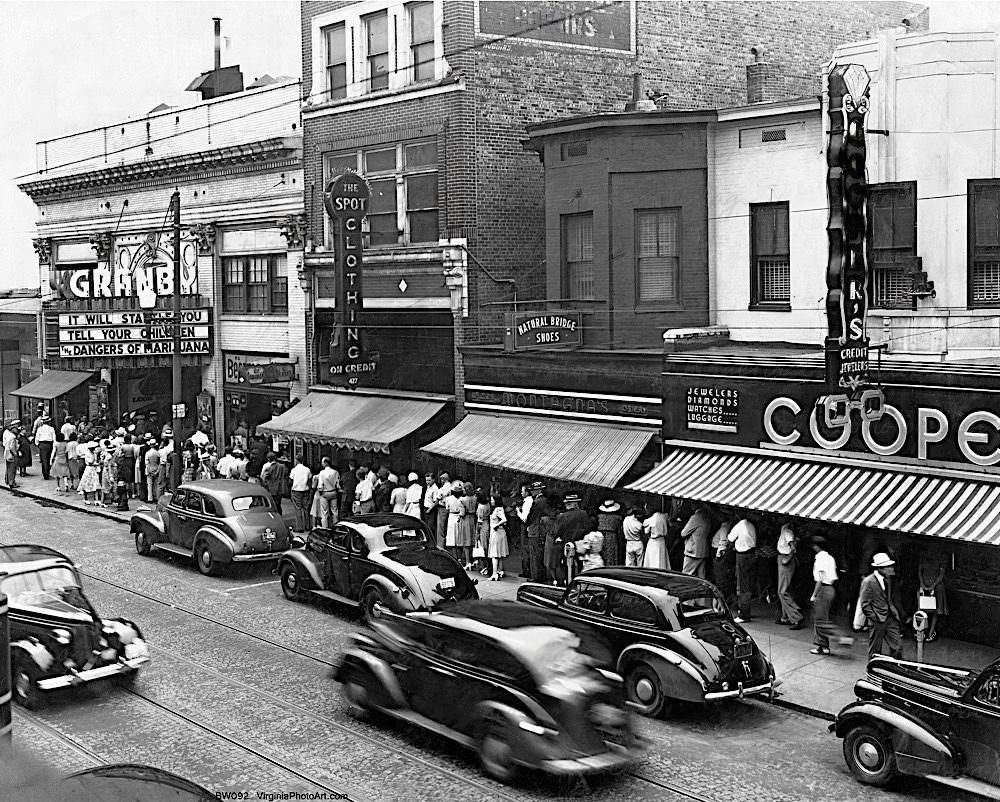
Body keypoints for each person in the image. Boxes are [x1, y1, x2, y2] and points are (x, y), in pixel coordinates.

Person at [810, 536, 855, 656]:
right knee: (820, 618)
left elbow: (819, 580)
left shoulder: (820, 559)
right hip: (831, 588)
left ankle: (841, 637)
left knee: (820, 621)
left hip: (823, 589)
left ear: (816, 546)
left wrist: (814, 595)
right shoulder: (830, 558)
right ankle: (823, 647)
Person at [859, 552, 903, 660]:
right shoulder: (868, 582)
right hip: (878, 620)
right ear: (881, 568)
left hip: (890, 618)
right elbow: (865, 604)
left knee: (897, 647)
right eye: (889, 566)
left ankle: (893, 669)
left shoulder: (888, 579)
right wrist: (874, 618)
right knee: (875, 650)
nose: (892, 569)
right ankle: (872, 672)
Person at [553, 493, 590, 586]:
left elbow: (557, 531)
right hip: (581, 543)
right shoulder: (583, 514)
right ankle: (580, 582)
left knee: (567, 564)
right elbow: (588, 528)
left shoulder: (562, 516)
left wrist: (558, 537)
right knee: (581, 563)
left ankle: (569, 582)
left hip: (567, 543)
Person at [728, 516, 758, 623]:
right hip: (751, 554)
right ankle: (747, 610)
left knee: (742, 585)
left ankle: (744, 614)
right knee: (749, 584)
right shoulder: (751, 525)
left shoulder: (740, 525)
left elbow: (730, 538)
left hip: (742, 556)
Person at [776, 522, 804, 629]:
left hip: (785, 559)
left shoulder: (787, 532)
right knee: (785, 590)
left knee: (782, 591)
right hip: (783, 557)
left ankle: (796, 616)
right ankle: (786, 617)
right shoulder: (785, 531)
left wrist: (787, 558)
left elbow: (793, 548)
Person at [917, 551, 949, 642]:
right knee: (921, 609)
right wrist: (922, 584)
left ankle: (931, 632)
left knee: (935, 609)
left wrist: (933, 586)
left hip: (937, 587)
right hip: (925, 585)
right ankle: (921, 631)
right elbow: (919, 572)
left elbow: (941, 575)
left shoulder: (941, 558)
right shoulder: (923, 557)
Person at [523, 481, 549, 581]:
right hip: (542, 529)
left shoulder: (537, 502)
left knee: (534, 554)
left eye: (533, 490)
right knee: (540, 553)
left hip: (535, 529)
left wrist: (527, 523)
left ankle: (535, 577)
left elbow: (531, 516)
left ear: (538, 490)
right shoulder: (545, 500)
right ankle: (541, 575)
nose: (532, 492)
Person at [680, 505, 712, 578]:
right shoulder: (707, 516)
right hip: (704, 550)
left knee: (686, 575)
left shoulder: (695, 517)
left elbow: (683, 533)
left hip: (693, 551)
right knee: (701, 577)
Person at [487, 493, 509, 581]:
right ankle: (499, 571)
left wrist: (496, 525)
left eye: (492, 499)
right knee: (499, 554)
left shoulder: (497, 510)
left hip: (496, 533)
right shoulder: (500, 509)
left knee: (495, 554)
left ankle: (494, 573)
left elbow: (504, 519)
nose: (491, 501)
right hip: (499, 532)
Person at [288, 455, 312, 533]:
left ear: (297, 461)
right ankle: (307, 526)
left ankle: (299, 527)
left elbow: (290, 480)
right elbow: (309, 479)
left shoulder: (294, 470)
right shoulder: (307, 469)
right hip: (305, 490)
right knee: (306, 508)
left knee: (298, 508)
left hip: (296, 490)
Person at [596, 499, 624, 567]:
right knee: (611, 554)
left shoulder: (599, 517)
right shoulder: (618, 518)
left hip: (600, 536)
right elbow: (619, 531)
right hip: (612, 536)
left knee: (602, 553)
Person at [315, 456, 341, 527]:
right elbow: (338, 485)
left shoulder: (322, 473)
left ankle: (325, 528)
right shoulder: (335, 472)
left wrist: (319, 491)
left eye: (322, 462)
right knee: (335, 511)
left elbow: (320, 486)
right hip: (333, 492)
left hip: (325, 493)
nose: (321, 463)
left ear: (326, 463)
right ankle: (336, 527)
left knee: (324, 513)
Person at [457, 482, 478, 570]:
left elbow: (462, 513)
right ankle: (473, 560)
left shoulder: (462, 499)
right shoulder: (475, 498)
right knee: (472, 540)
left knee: (466, 542)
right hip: (473, 518)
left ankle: (467, 561)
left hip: (465, 519)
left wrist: (458, 518)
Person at [444, 482, 465, 562]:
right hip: (456, 516)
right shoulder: (462, 499)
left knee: (454, 537)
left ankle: (456, 557)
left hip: (453, 516)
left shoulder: (449, 499)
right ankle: (457, 557)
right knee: (457, 537)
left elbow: (447, 508)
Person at [78, 441, 102, 506]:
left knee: (96, 483)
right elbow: (90, 462)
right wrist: (96, 462)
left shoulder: (94, 453)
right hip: (89, 469)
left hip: (94, 469)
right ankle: (86, 499)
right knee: (87, 484)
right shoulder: (87, 454)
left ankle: (96, 499)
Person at [474, 488, 491, 575]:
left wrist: (477, 532)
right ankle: (487, 566)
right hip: (487, 523)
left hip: (482, 525)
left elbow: (479, 521)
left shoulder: (481, 507)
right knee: (486, 546)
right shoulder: (488, 504)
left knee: (483, 546)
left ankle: (485, 566)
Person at [34, 416, 56, 480]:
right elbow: (54, 438)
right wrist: (54, 444)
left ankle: (45, 474)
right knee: (49, 459)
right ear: (48, 422)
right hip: (49, 444)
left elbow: (37, 438)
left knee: (44, 460)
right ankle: (48, 472)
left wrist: (38, 444)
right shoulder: (51, 429)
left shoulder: (40, 429)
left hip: (42, 444)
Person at [433, 473, 450, 547]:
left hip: (442, 508)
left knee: (441, 528)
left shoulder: (446, 487)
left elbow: (439, 497)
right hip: (445, 508)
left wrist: (431, 507)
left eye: (442, 479)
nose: (441, 481)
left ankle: (441, 546)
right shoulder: (449, 486)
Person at [144, 438, 162, 502]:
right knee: (156, 484)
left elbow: (146, 463)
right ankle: (155, 496)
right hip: (156, 468)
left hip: (149, 468)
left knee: (149, 484)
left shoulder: (148, 453)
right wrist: (157, 471)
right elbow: (159, 462)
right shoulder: (157, 453)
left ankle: (150, 498)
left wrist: (149, 470)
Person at [3, 423, 18, 489]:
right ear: (12, 429)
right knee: (12, 469)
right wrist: (15, 454)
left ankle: (7, 480)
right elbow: (12, 447)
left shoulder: (8, 435)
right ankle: (12, 483)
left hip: (7, 453)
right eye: (15, 429)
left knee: (8, 468)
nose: (16, 430)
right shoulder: (13, 437)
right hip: (11, 454)